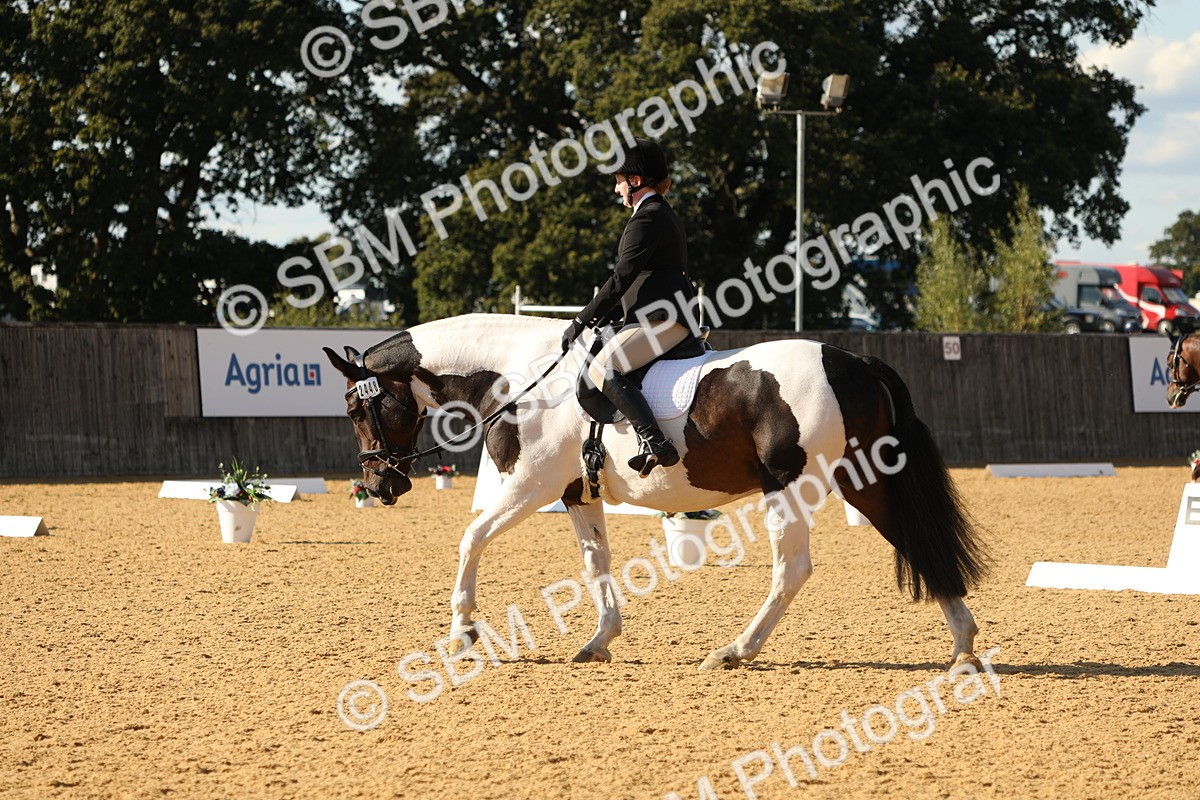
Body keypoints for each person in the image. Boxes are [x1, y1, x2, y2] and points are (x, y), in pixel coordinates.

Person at [560, 138, 699, 477]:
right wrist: (608, 316)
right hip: (664, 312)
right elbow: (643, 280)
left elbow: (622, 278)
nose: (616, 188)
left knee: (603, 367)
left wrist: (582, 319)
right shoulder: (659, 213)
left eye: (619, 180)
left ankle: (655, 441)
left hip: (663, 318)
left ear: (635, 181)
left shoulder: (647, 218)